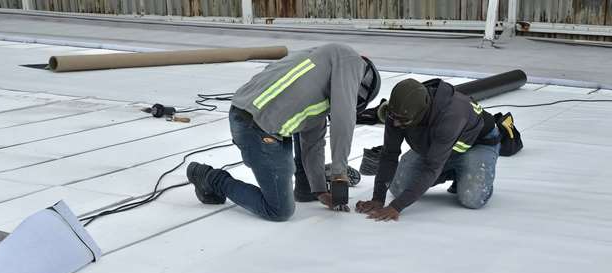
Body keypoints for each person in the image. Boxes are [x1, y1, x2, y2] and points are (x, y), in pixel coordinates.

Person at [185, 43, 380, 221]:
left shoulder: (322, 71)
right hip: (254, 126)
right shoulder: (350, 59)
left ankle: (306, 189)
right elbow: (343, 118)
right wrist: (339, 174)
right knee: (279, 210)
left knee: (305, 153)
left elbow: (313, 143)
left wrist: (320, 191)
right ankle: (211, 178)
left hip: (263, 125)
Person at [357, 78, 501, 222]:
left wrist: (396, 207)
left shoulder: (451, 115)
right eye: (393, 117)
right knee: (399, 188)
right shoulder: (397, 112)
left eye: (402, 120)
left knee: (472, 198)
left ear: (421, 112)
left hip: (476, 144)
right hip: (437, 147)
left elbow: (431, 167)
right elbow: (389, 155)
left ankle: (464, 173)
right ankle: (452, 171)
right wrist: (378, 199)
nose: (395, 123)